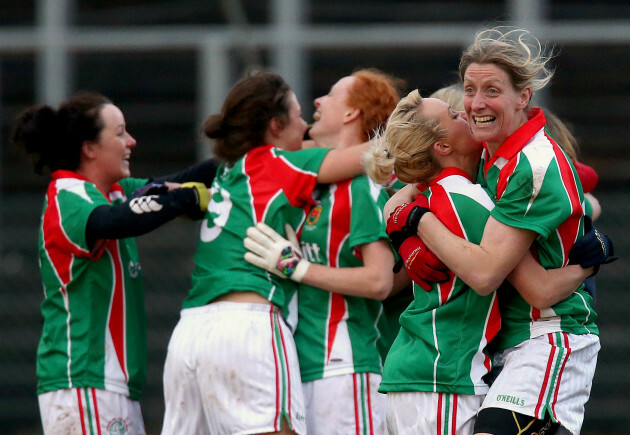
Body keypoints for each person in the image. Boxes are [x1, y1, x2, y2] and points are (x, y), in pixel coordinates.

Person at [384, 28, 616, 435]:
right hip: (501, 347)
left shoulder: (531, 164)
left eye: (491, 90)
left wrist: (418, 222)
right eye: (469, 89)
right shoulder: (486, 148)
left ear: (523, 97)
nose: (474, 104)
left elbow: (512, 282)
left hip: (548, 336)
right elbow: (401, 194)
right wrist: (403, 230)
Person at [161, 71, 375, 435]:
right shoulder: (279, 162)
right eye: (297, 116)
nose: (306, 125)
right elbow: (369, 154)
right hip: (247, 326)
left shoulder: (229, 170)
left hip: (189, 333)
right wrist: (419, 125)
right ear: (276, 126)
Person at [11, 91, 213, 434]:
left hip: (111, 386)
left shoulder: (116, 192)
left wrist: (255, 154)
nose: (131, 141)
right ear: (89, 147)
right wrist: (186, 197)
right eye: (119, 133)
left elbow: (191, 176)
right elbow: (117, 221)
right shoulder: (67, 196)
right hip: (84, 380)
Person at [242, 68, 406, 434]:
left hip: (343, 366)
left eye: (331, 94)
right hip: (297, 364)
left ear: (352, 114)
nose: (317, 101)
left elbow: (379, 280)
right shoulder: (313, 183)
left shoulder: (363, 185)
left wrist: (297, 267)